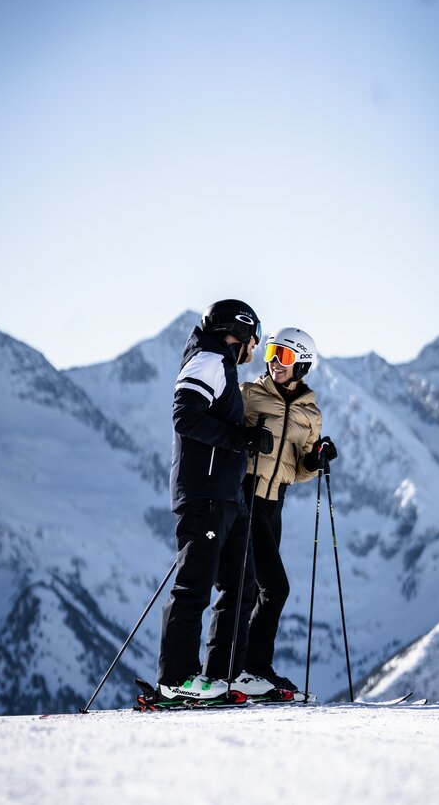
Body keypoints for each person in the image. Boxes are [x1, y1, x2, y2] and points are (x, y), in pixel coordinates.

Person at [156, 299, 275, 703]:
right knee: (194, 586)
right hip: (205, 493)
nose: (252, 352)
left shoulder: (220, 364)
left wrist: (243, 438)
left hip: (227, 495)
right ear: (239, 333)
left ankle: (225, 674)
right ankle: (176, 678)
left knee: (240, 587)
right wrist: (238, 438)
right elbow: (184, 416)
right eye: (252, 342)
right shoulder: (207, 359)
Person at [239, 327, 337, 700]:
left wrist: (316, 459)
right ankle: (252, 669)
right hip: (245, 496)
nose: (275, 362)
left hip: (273, 502)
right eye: (272, 353)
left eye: (284, 356)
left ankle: (248, 670)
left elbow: (298, 470)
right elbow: (227, 437)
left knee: (263, 587)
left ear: (302, 364)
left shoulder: (310, 413)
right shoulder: (248, 395)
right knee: (273, 587)